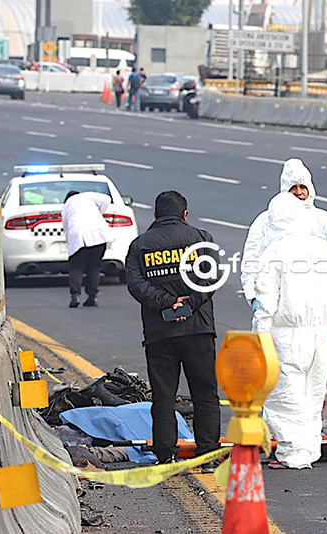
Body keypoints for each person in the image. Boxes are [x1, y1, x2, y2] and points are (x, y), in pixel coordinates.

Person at [241, 158, 327, 452]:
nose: (299, 193)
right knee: (282, 386)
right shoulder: (266, 222)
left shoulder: (326, 223)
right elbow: (252, 263)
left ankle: (321, 437)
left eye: (302, 187)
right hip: (283, 322)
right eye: (293, 188)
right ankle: (284, 441)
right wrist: (255, 299)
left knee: (325, 386)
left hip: (318, 323)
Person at [124, 191, 220, 471]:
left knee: (163, 396)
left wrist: (167, 302)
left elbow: (136, 284)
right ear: (184, 214)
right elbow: (211, 277)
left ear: (155, 214)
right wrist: (190, 304)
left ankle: (165, 455)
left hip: (159, 333)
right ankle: (208, 455)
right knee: (205, 394)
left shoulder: (140, 245)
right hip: (198, 330)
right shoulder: (201, 238)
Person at [253, 192, 327, 469]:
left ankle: (293, 454)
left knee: (286, 397)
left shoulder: (275, 252)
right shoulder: (323, 249)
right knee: (313, 396)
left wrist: (260, 334)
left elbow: (266, 300)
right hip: (320, 336)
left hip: (286, 336)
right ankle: (309, 450)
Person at [62, 191, 114, 308]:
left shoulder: (66, 207)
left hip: (78, 235)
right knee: (94, 266)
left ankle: (75, 295)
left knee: (76, 267)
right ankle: (92, 297)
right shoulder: (87, 196)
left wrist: (70, 245)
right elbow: (106, 199)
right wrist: (99, 212)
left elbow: (66, 227)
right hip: (99, 234)